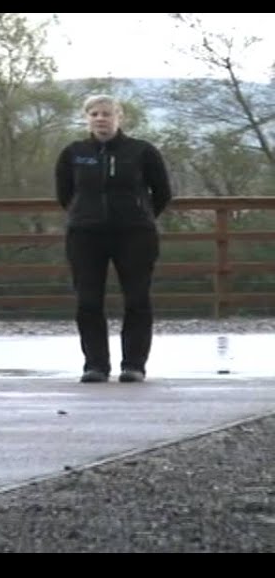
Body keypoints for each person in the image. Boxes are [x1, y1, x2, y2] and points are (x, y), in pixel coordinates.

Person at [54, 94, 173, 384]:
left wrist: (139, 215)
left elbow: (162, 192)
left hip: (134, 235)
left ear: (119, 117)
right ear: (87, 118)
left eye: (106, 113)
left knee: (136, 299)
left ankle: (133, 364)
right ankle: (95, 365)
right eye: (94, 113)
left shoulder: (141, 151)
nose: (100, 118)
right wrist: (85, 215)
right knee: (88, 301)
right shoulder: (74, 152)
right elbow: (65, 194)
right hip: (85, 235)